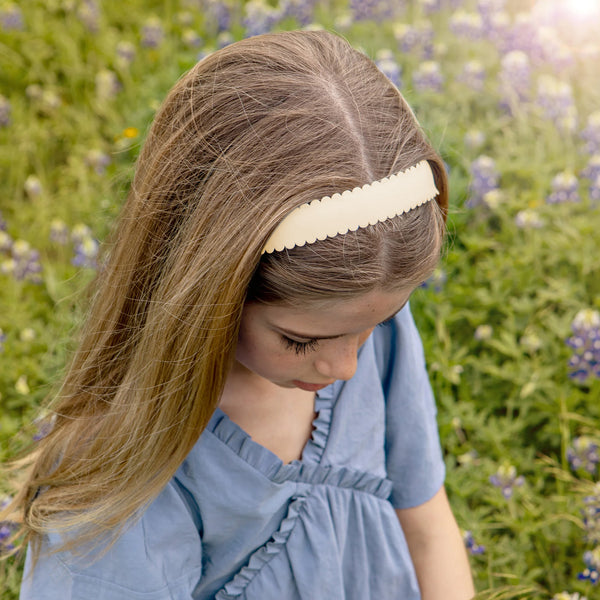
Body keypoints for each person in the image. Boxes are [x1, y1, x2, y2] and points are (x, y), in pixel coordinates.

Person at [4, 30, 474, 599]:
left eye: (373, 324)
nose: (348, 365)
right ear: (210, 295)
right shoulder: (127, 466)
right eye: (300, 341)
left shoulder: (363, 326)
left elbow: (427, 528)